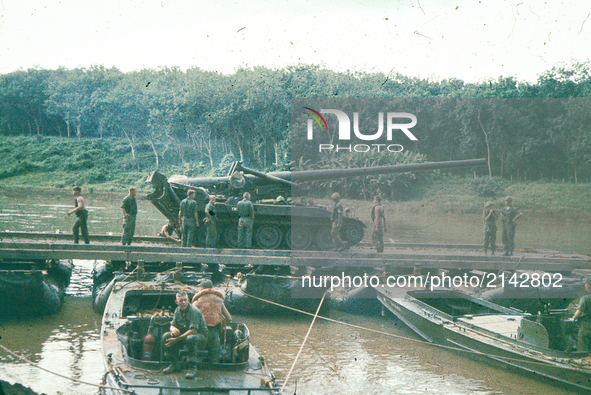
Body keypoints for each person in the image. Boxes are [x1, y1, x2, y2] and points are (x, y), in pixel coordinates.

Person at [162, 291, 208, 379]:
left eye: (185, 300)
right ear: (176, 302)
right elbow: (173, 324)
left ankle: (192, 367)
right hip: (186, 335)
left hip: (200, 337)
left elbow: (193, 330)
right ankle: (174, 364)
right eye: (181, 301)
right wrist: (173, 328)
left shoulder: (194, 311)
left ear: (188, 300)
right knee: (166, 336)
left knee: (191, 338)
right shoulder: (177, 310)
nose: (183, 302)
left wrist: (176, 339)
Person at [192, 279, 232, 362]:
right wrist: (221, 326)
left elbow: (189, 315)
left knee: (198, 356)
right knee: (214, 358)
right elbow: (229, 318)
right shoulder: (219, 300)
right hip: (214, 333)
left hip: (201, 333)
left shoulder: (198, 300)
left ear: (202, 288)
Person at [572, 279, 591, 353]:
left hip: (586, 326)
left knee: (582, 345)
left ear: (588, 285)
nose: (585, 286)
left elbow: (579, 312)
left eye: (585, 284)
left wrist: (573, 318)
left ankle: (581, 361)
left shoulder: (585, 298)